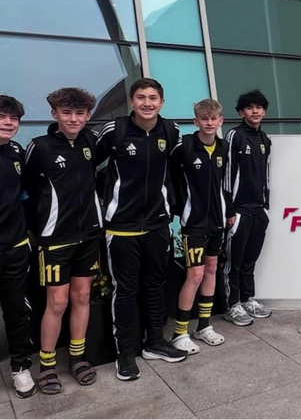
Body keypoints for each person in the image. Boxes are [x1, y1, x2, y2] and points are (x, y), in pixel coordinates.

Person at [96, 78, 188, 381]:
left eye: (152, 98)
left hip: (158, 224)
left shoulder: (171, 131)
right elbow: (84, 166)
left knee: (156, 285)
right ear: (132, 101)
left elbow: (176, 171)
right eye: (140, 97)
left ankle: (155, 343)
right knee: (125, 290)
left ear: (162, 102)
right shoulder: (115, 130)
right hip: (122, 226)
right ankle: (124, 353)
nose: (147, 103)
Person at [24, 88, 102, 393]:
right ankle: (46, 366)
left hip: (88, 236)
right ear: (54, 114)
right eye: (66, 113)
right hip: (55, 239)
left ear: (88, 116)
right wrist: (34, 230)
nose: (73, 119)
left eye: (80, 113)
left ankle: (77, 358)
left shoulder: (90, 141)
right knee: (56, 302)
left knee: (82, 298)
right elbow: (26, 192)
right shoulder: (40, 147)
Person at [170, 99, 234, 354]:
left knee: (211, 269)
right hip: (193, 223)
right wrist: (176, 209)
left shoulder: (223, 148)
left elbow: (224, 183)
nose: (209, 123)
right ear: (196, 121)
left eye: (213, 119)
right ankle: (180, 332)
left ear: (220, 121)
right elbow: (170, 179)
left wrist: (229, 210)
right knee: (194, 275)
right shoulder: (185, 146)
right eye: (204, 119)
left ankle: (204, 326)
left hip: (217, 221)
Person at [224, 90, 272, 326]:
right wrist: (229, 209)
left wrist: (266, 205)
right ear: (241, 112)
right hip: (239, 211)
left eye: (259, 107)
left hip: (258, 210)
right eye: (250, 107)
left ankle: (247, 299)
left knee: (250, 260)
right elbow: (226, 174)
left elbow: (267, 174)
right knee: (234, 262)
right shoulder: (234, 135)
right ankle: (232, 305)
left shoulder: (265, 140)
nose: (255, 111)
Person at [0, 95, 36, 398]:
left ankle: (21, 368)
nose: (8, 123)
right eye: (2, 117)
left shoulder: (16, 152)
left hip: (15, 246)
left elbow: (26, 195)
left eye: (13, 119)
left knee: (16, 311)